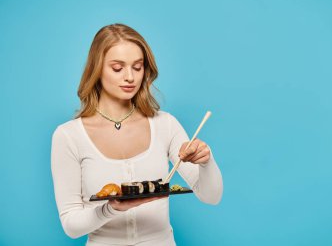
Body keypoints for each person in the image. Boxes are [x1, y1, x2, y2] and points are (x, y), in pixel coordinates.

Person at [51, 23, 223, 246]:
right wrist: (111, 208)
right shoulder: (68, 136)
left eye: (138, 66)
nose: (130, 77)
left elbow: (211, 197)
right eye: (117, 68)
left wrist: (206, 162)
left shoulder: (165, 125)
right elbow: (71, 225)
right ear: (97, 69)